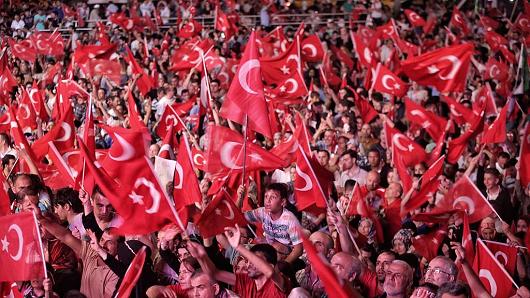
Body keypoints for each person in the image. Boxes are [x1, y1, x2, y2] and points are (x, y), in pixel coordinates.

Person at [188, 225, 290, 298]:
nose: (249, 264)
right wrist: (201, 257)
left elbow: (270, 272)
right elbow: (214, 273)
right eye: (248, 260)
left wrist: (238, 247)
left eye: (255, 260)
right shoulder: (245, 281)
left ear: (271, 265)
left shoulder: (278, 282)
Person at [244, 183, 303, 264]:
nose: (268, 201)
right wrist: (240, 198)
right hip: (269, 248)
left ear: (283, 202)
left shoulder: (290, 219)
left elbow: (298, 249)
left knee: (276, 248)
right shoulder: (262, 211)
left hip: (286, 253)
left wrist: (283, 265)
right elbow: (238, 217)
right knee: (244, 249)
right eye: (266, 196)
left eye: (273, 197)